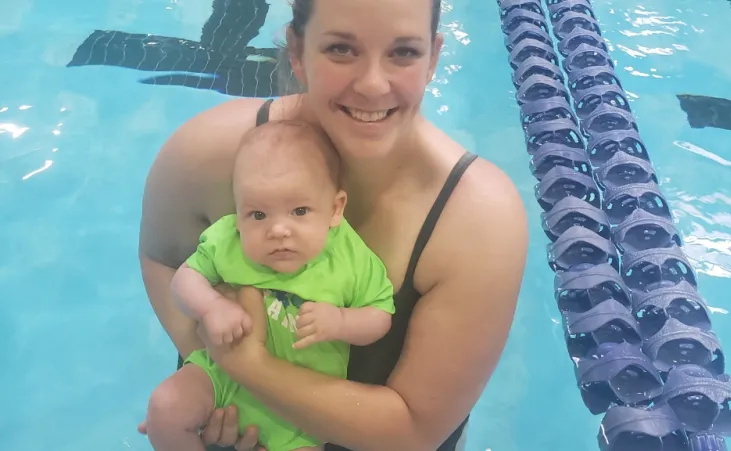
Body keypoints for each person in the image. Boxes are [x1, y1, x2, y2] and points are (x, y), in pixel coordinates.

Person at [137, 0, 529, 449]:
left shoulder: (477, 219)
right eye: (341, 49)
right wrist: (223, 396)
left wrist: (248, 368)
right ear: (297, 51)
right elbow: (161, 257)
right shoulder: (209, 152)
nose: (372, 84)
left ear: (434, 58)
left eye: (403, 52)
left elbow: (414, 433)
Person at [142, 120, 397, 451]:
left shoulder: (350, 257)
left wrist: (341, 322)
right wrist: (212, 306)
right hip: (223, 378)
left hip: (303, 403)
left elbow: (380, 315)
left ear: (335, 209)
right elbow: (184, 280)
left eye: (299, 211)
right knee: (165, 407)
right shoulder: (228, 239)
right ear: (238, 210)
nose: (278, 230)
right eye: (258, 215)